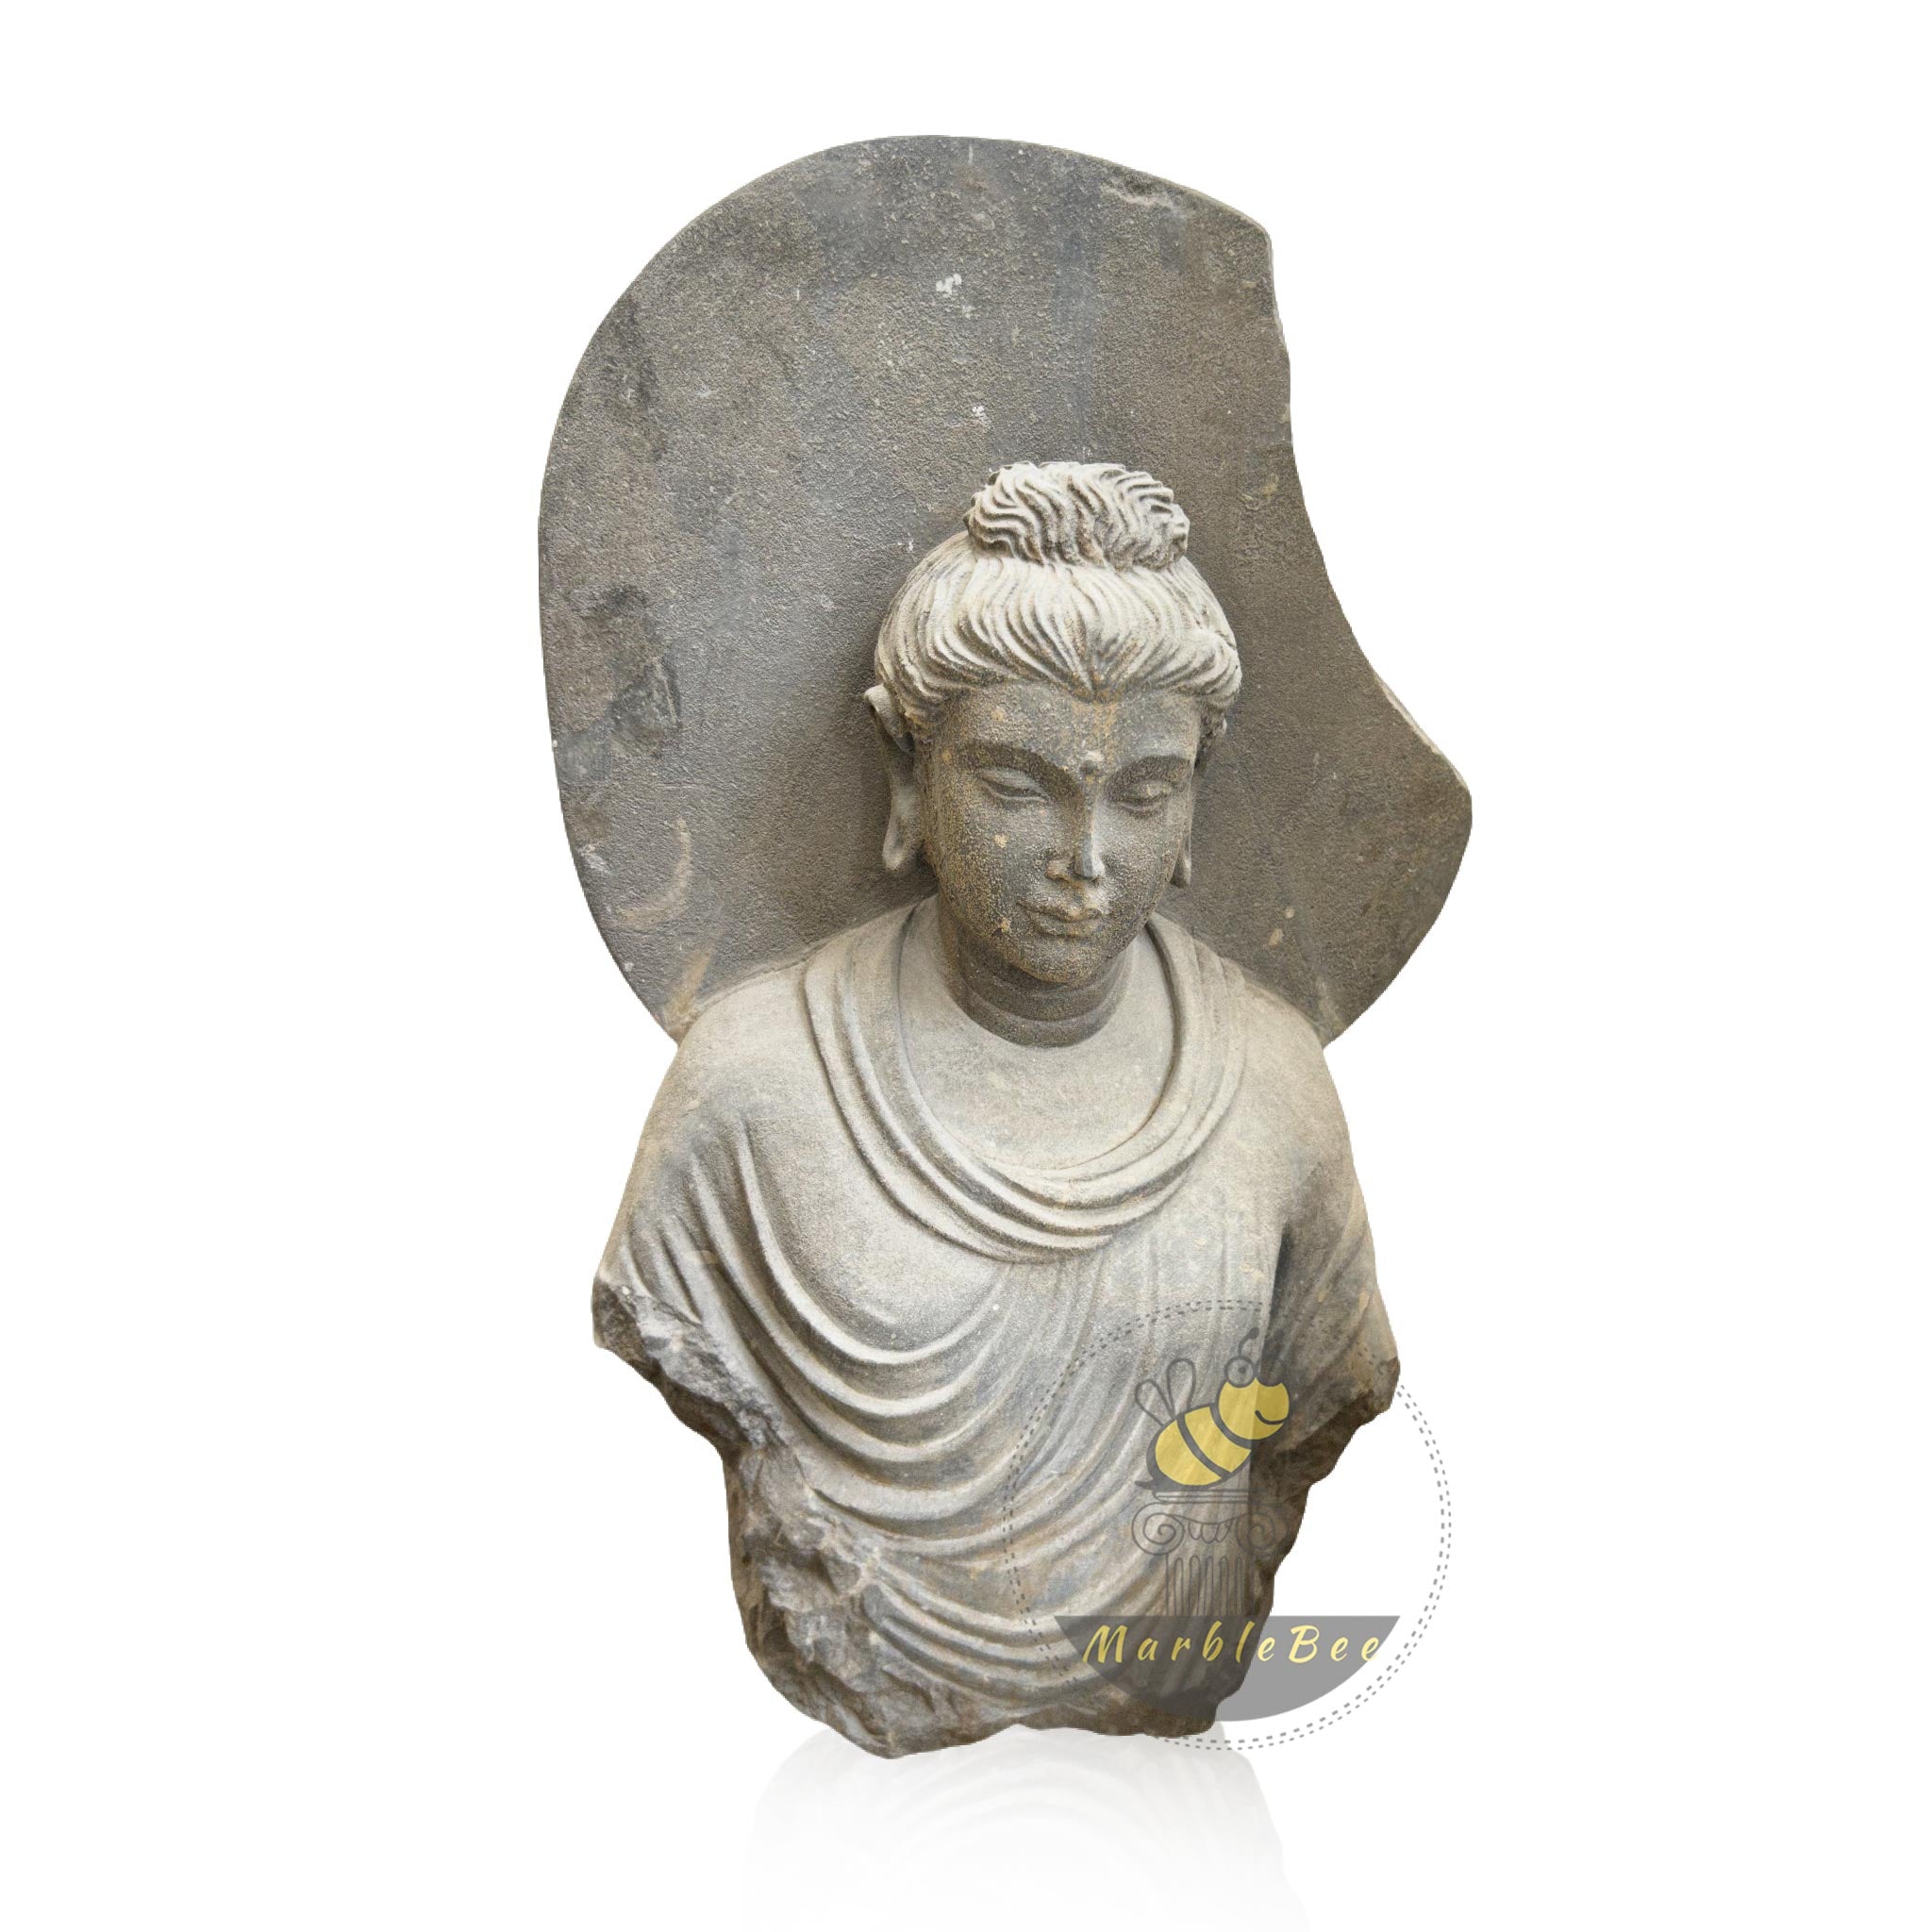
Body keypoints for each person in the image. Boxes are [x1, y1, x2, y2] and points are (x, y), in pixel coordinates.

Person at [595, 462, 1396, 1756]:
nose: (1087, 859)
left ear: (1199, 790)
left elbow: (1318, 1398)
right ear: (909, 771)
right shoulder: (757, 1086)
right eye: (1019, 786)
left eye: (1146, 793)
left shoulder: (1269, 1083)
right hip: (861, 1683)